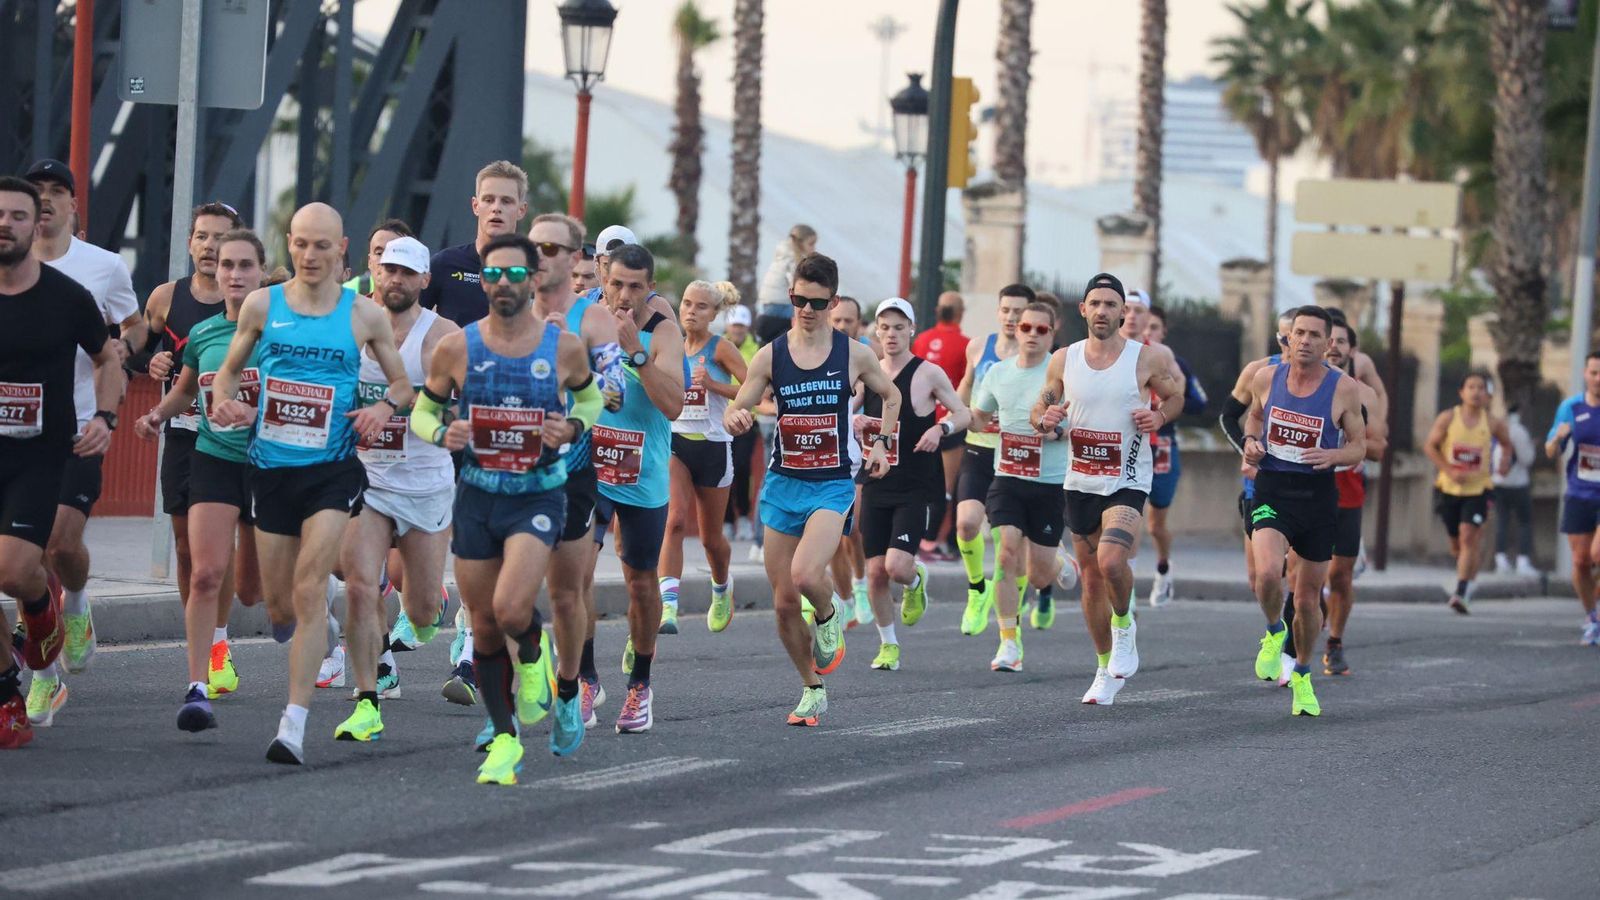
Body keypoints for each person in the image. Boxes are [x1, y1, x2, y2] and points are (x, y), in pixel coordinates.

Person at [208, 202, 414, 765]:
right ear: (290, 244)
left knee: (307, 586)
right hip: (272, 470)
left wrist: (379, 412)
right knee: (279, 607)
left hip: (333, 471)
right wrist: (224, 400)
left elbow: (402, 386)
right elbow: (227, 370)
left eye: (322, 245)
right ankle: (310, 632)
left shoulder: (364, 315)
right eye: (301, 244)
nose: (311, 255)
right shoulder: (261, 305)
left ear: (342, 248)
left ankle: (291, 726)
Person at [410, 232, 600, 783]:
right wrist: (443, 429)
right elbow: (424, 412)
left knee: (515, 608)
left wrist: (573, 425)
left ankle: (537, 662)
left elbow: (587, 397)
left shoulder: (561, 347)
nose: (504, 284)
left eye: (516, 275)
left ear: (534, 280)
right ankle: (504, 740)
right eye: (494, 274)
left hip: (537, 494)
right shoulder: (457, 348)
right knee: (487, 627)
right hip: (475, 495)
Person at [724, 252, 898, 726]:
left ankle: (828, 614)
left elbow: (891, 394)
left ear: (833, 301)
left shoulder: (853, 353)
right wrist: (736, 417)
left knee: (805, 577)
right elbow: (738, 407)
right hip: (782, 485)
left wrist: (881, 443)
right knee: (782, 605)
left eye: (816, 303)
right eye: (799, 300)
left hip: (831, 484)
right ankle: (811, 687)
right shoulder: (771, 354)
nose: (805, 310)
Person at [133, 229, 271, 730]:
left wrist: (255, 411)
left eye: (245, 266)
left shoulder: (278, 333)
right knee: (206, 573)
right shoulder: (206, 334)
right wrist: (156, 415)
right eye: (227, 265)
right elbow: (185, 392)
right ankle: (196, 686)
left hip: (266, 465)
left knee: (254, 592)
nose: (234, 274)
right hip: (212, 459)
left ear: (262, 272)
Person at [0, 177, 121, 749]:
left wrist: (104, 418)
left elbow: (109, 358)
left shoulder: (67, 295)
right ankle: (8, 696)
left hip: (41, 454)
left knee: (16, 571)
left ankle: (46, 607)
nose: (6, 224)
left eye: (18, 216)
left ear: (35, 225)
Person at [20, 160, 143, 719]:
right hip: (16, 431)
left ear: (73, 206)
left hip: (80, 425)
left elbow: (134, 323)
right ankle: (43, 678)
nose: (46, 201)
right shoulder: (9, 267)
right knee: (24, 562)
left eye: (56, 192)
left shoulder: (102, 268)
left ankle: (79, 605)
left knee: (61, 547)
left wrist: (122, 349)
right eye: (36, 192)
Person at [326, 235, 460, 742]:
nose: (396, 279)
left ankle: (432, 607)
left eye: (407, 272)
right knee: (359, 583)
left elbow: (462, 405)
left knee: (421, 608)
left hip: (424, 483)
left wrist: (418, 410)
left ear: (425, 280)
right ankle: (367, 698)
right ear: (374, 272)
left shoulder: (442, 336)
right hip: (367, 478)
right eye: (388, 270)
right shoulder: (350, 321)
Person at [1036, 274, 1182, 704]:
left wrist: (1159, 418)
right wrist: (1043, 418)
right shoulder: (1064, 358)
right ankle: (1104, 669)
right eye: (1095, 303)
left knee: (1112, 560)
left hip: (1128, 478)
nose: (1102, 311)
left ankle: (1124, 628)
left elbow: (1174, 399)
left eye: (1111, 304)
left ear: (1124, 312)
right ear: (1082, 310)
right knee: (1091, 581)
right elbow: (1041, 405)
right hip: (1080, 479)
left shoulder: (1145, 360)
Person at [1238, 306, 1367, 717]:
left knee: (1309, 599)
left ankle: (1303, 674)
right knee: (1266, 572)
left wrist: (1334, 454)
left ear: (1329, 344)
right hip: (1273, 489)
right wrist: (1252, 442)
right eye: (1300, 333)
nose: (1306, 340)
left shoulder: (1344, 388)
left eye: (1315, 335)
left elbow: (1359, 446)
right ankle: (1274, 631)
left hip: (1316, 496)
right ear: (1288, 337)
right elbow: (1253, 418)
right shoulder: (1265, 377)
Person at [528, 213, 624, 742]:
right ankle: (514, 695)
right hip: (513, 471)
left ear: (574, 258)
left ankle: (571, 688)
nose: (542, 256)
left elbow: (616, 393)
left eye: (553, 248)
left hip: (571, 472)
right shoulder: (510, 309)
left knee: (565, 593)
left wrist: (574, 373)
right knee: (508, 593)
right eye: (534, 246)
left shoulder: (592, 321)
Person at [143, 201, 247, 687]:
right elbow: (141, 350)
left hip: (240, 443)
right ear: (190, 243)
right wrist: (152, 365)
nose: (209, 247)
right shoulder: (165, 298)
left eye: (220, 238)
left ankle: (220, 640)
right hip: (185, 436)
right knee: (188, 549)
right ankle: (202, 647)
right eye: (202, 237)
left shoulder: (256, 302)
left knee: (228, 554)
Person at [593, 244, 685, 734]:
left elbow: (672, 404)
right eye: (617, 284)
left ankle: (639, 685)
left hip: (641, 474)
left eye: (635, 286)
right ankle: (584, 679)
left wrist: (636, 352)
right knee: (574, 570)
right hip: (589, 466)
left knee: (640, 582)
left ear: (650, 288)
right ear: (604, 280)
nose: (624, 296)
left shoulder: (664, 332)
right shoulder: (587, 320)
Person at [857, 298, 969, 671]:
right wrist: (853, 420)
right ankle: (888, 644)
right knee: (874, 571)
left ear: (911, 331)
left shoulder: (928, 373)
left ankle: (916, 578)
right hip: (876, 483)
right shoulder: (867, 373)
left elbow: (963, 412)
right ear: (876, 330)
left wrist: (941, 428)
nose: (891, 334)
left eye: (899, 327)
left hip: (916, 485)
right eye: (885, 327)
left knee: (897, 568)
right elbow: (846, 406)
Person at [971, 301, 1079, 672]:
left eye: (1041, 330)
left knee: (1038, 575)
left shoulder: (1062, 376)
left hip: (1048, 483)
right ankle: (1008, 643)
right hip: (1007, 478)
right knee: (1004, 554)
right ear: (1016, 330)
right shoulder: (998, 373)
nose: (1032, 334)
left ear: (1053, 333)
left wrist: (1059, 431)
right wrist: (944, 417)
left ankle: (1061, 559)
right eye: (1026, 328)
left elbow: (1080, 424)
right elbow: (978, 416)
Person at [661, 281, 748, 635]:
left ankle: (721, 586)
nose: (691, 311)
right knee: (675, 521)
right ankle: (667, 606)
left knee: (712, 539)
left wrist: (712, 386)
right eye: (686, 303)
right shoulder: (671, 346)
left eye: (701, 306)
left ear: (714, 314)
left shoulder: (721, 348)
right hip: (676, 442)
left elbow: (754, 389)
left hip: (713, 446)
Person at [954, 284, 1033, 636]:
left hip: (1017, 455)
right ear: (998, 311)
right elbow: (966, 387)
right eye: (1006, 310)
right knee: (967, 524)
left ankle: (1013, 606)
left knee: (1009, 543)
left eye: (1019, 311)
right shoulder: (978, 347)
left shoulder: (1037, 355)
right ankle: (976, 588)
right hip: (979, 447)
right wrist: (956, 413)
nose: (1012, 317)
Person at [1320, 317, 1385, 676]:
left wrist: (1352, 444)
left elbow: (1377, 447)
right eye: (1328, 339)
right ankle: (1294, 641)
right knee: (1303, 575)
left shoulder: (1364, 395)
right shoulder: (1299, 386)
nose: (1333, 346)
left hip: (1347, 493)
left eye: (1341, 341)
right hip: (1307, 490)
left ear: (1352, 351)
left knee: (1340, 576)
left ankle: (1335, 642)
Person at [1424, 371, 1512, 614]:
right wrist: (1449, 470)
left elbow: (1507, 444)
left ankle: (1461, 591)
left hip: (1479, 489)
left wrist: (1504, 461)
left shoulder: (1492, 422)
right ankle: (1468, 578)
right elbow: (1430, 446)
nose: (1475, 392)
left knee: (1468, 537)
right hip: (1449, 488)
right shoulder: (1448, 418)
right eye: (1471, 387)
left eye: (1480, 388)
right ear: (1461, 392)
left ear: (1487, 394)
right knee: (1457, 544)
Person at [1141, 304, 1208, 608]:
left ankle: (1163, 569)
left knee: (1155, 524)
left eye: (1154, 327)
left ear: (1163, 332)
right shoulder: (1123, 356)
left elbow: (1198, 402)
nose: (1148, 332)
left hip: (1163, 445)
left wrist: (1167, 403)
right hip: (1129, 443)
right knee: (1122, 517)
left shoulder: (1174, 362)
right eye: (1145, 325)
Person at [418, 160, 529, 327]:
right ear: (475, 205)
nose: (496, 208)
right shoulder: (444, 264)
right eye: (489, 200)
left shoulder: (533, 269)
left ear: (521, 210)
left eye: (506, 201)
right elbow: (408, 323)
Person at [1546, 351, 1600, 646]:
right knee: (1580, 562)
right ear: (1585, 374)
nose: (1598, 379)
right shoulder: (1571, 407)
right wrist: (1557, 438)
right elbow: (1550, 450)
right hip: (1579, 492)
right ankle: (1592, 617)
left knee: (1597, 554)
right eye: (1594, 372)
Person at [912, 291, 969, 563]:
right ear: (960, 312)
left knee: (919, 481)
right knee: (946, 487)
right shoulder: (965, 345)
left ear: (937, 311)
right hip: (948, 424)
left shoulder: (921, 339)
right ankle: (934, 540)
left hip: (920, 420)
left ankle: (922, 537)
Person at [722, 304, 761, 543]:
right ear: (727, 325)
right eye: (734, 325)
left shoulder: (756, 350)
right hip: (719, 420)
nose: (737, 330)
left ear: (747, 327)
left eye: (741, 326)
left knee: (742, 467)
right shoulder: (717, 346)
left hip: (748, 419)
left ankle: (744, 517)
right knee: (725, 471)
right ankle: (727, 522)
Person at [1492, 406, 1538, 576]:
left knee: (1502, 521)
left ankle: (1501, 560)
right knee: (1524, 522)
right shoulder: (1519, 431)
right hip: (1518, 483)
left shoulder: (1497, 428)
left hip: (1497, 482)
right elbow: (1527, 459)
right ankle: (1522, 562)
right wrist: (1531, 447)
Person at [755, 224, 818, 345]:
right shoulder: (793, 259)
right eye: (811, 244)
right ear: (800, 243)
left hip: (770, 301)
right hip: (781, 303)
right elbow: (796, 284)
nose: (814, 248)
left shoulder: (783, 255)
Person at [343, 219, 414, 298]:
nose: (385, 260)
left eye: (394, 252)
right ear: (369, 261)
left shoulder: (420, 296)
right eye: (379, 253)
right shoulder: (351, 292)